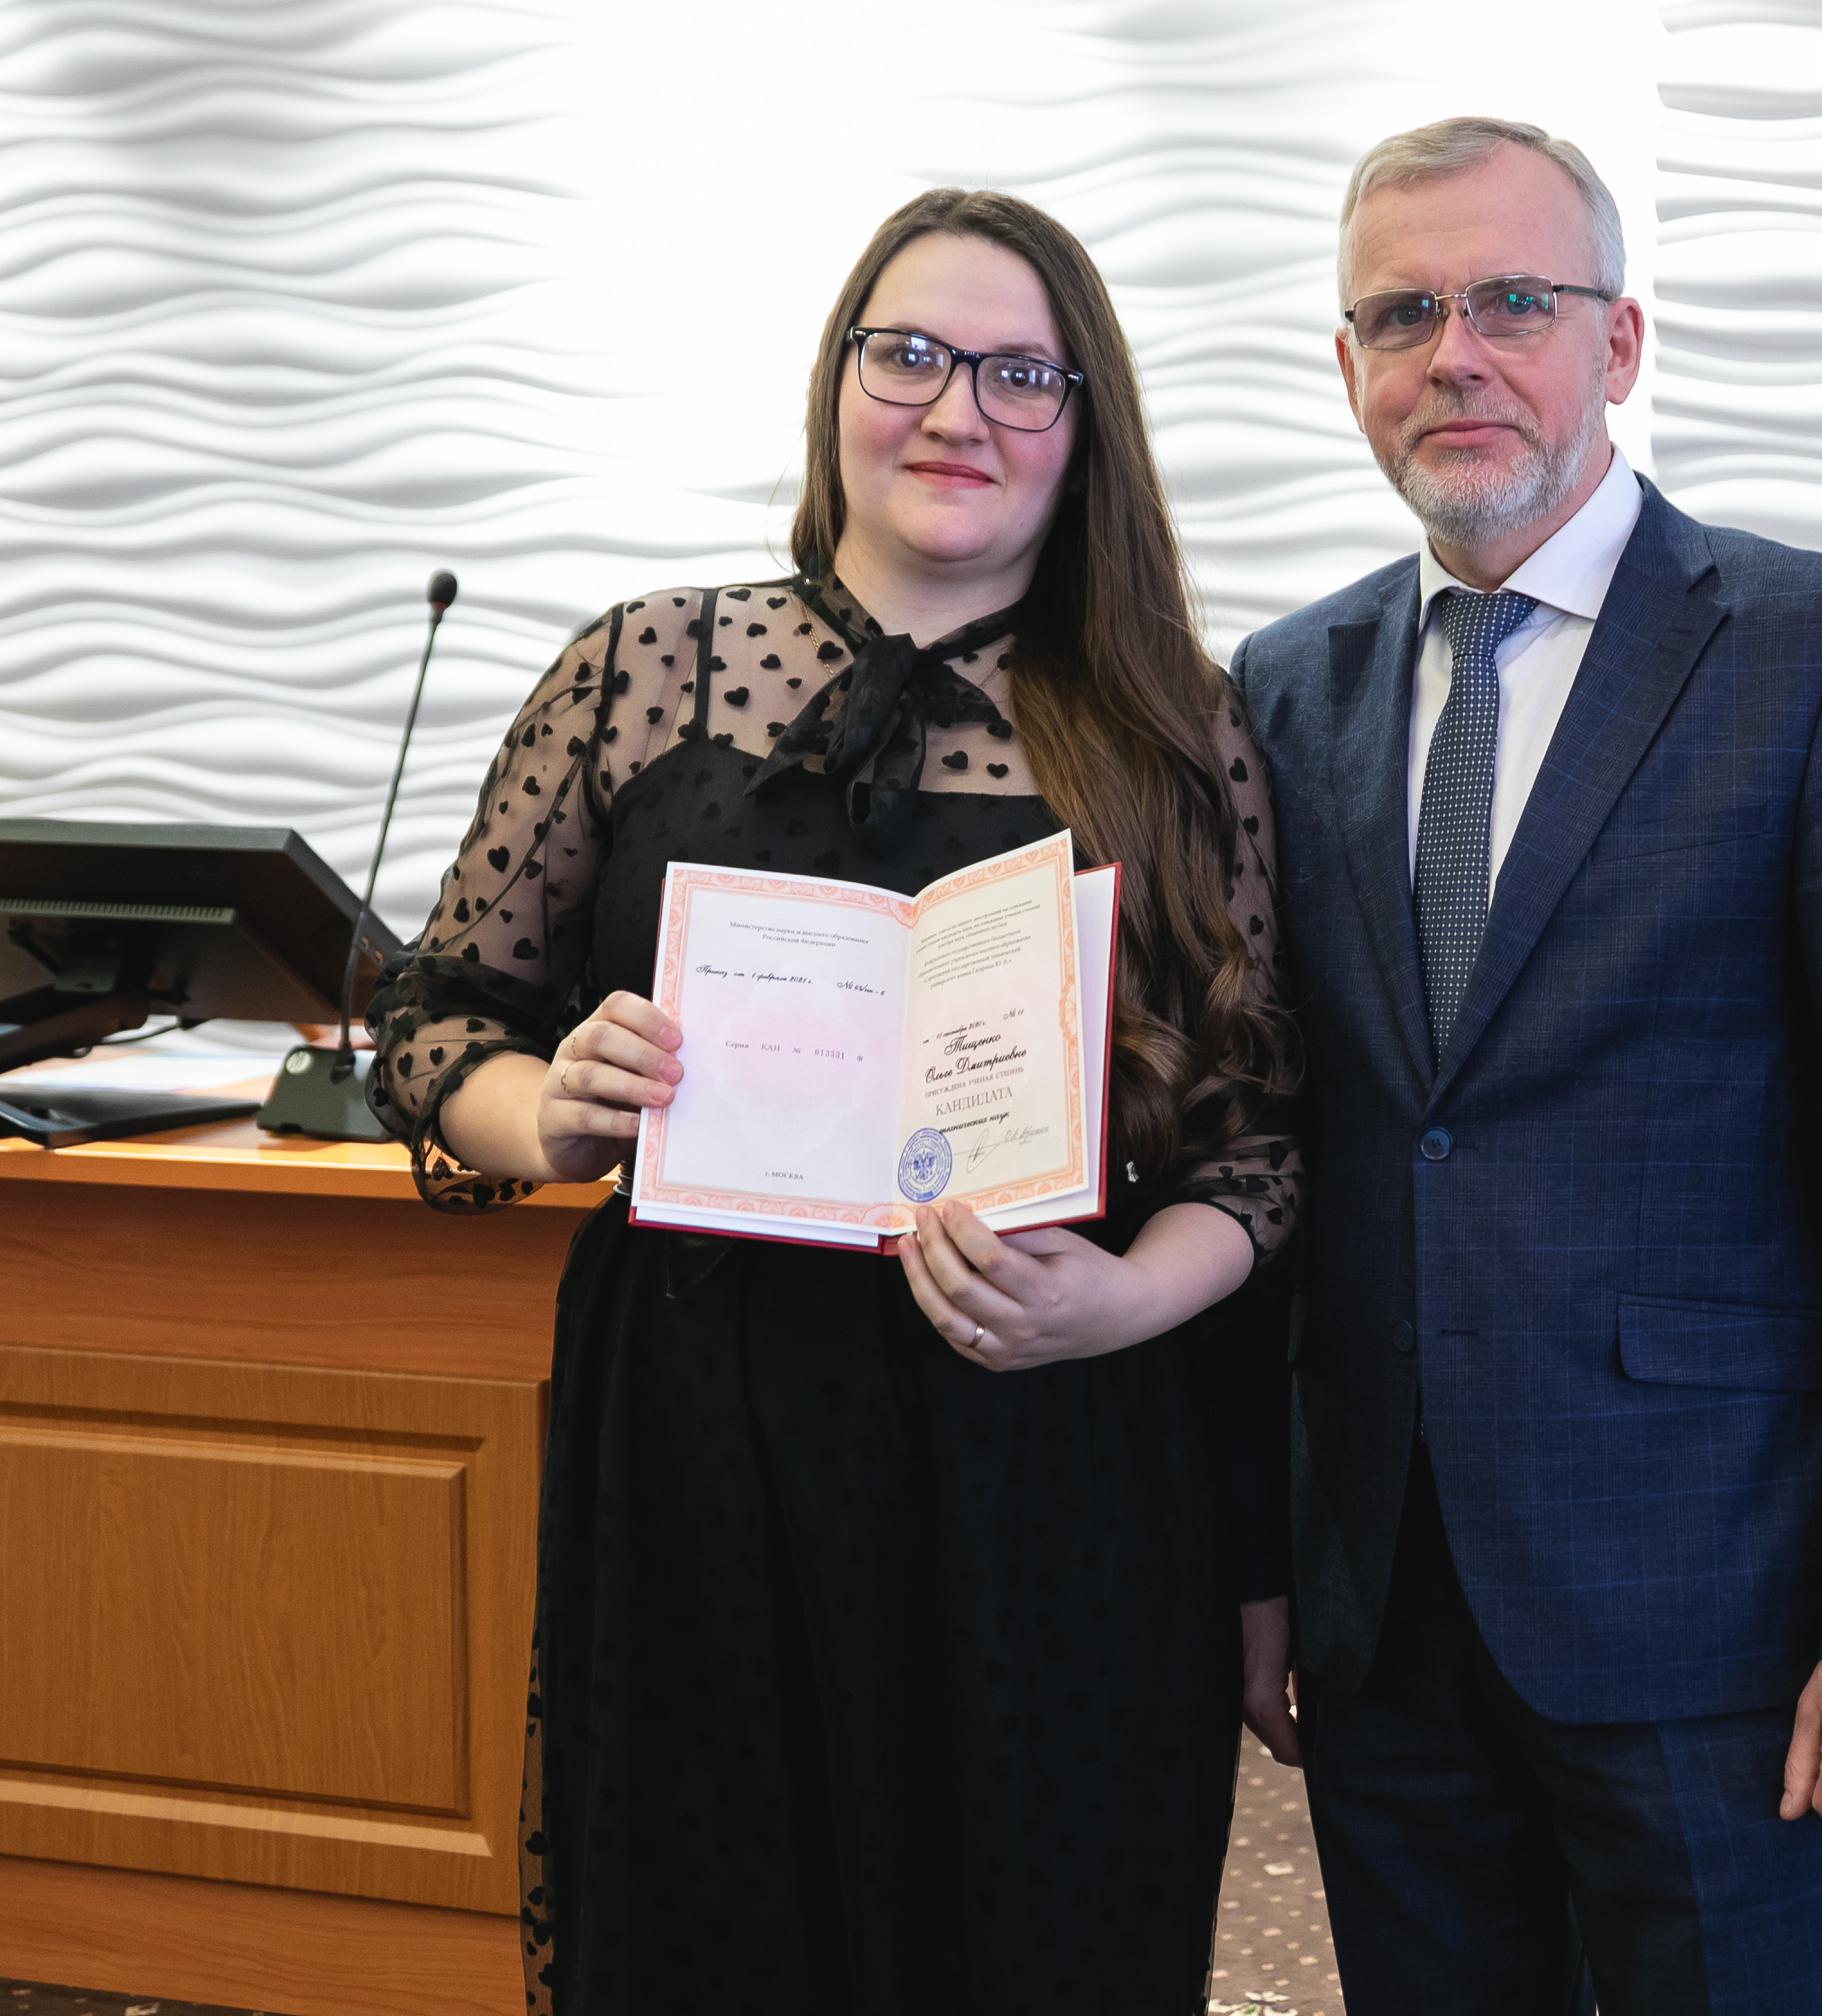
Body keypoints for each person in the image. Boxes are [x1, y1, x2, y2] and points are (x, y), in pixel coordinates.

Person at [366, 188, 1306, 2015]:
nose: (958, 410)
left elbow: (1261, 1147)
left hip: (1059, 1450)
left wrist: (1123, 1300)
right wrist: (546, 1112)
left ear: (1085, 425)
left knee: (1039, 1943)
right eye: (913, 355)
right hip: (704, 1439)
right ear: (839, 383)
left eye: (1021, 374)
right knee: (715, 1937)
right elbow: (434, 1021)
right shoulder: (643, 673)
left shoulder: (1178, 729)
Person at [1229, 117, 1822, 2014]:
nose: (1458, 356)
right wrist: (1262, 1564)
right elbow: (1283, 1152)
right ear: (1347, 367)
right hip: (1383, 1606)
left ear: (1622, 340)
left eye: (1515, 301)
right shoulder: (1283, 688)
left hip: (1710, 1601)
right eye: (1403, 315)